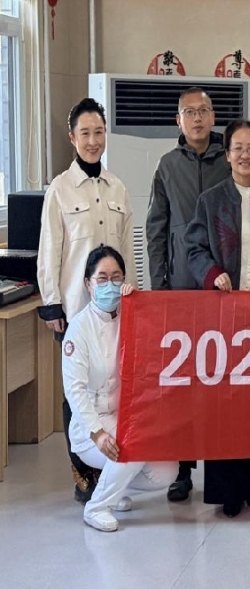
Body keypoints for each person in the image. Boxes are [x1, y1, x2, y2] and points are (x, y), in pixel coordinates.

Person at [37, 97, 135, 504]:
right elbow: (50, 250)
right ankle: (83, 472)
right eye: (85, 133)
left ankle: (110, 467)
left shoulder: (117, 187)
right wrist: (51, 303)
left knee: (113, 382)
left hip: (115, 309)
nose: (93, 141)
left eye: (99, 132)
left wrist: (133, 297)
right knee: (75, 390)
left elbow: (127, 250)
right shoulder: (60, 189)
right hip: (76, 308)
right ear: (72, 137)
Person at [185, 119, 250, 518]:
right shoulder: (210, 200)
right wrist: (212, 274)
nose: (245, 155)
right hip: (223, 316)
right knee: (225, 402)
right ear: (226, 155)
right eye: (238, 148)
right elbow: (193, 248)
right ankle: (228, 492)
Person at [146, 86, 232, 503]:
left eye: (203, 110)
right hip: (180, 289)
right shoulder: (167, 166)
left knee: (221, 381)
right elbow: (156, 230)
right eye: (189, 112)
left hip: (223, 288)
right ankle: (182, 469)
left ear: (213, 117)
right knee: (182, 383)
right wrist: (159, 288)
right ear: (178, 121)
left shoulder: (229, 159)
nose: (197, 118)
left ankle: (220, 469)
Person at [63, 245, 177, 532]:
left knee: (167, 470)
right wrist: (97, 433)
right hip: (91, 426)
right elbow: (74, 391)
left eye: (116, 278)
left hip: (124, 416)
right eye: (102, 279)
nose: (110, 285)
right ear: (88, 284)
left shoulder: (130, 316)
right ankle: (97, 506)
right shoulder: (79, 328)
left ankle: (115, 486)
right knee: (132, 447)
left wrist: (138, 304)